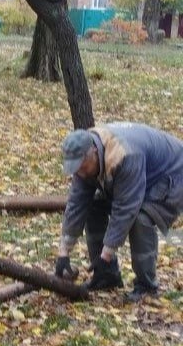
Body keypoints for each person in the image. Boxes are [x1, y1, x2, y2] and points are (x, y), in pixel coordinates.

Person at [55, 122, 183, 300]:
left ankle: (147, 286)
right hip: (141, 174)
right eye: (76, 169)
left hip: (172, 175)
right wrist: (63, 253)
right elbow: (76, 204)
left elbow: (126, 209)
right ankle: (106, 276)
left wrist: (106, 254)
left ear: (93, 152)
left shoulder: (124, 155)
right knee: (93, 204)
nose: (81, 173)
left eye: (83, 167)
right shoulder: (85, 160)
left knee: (141, 218)